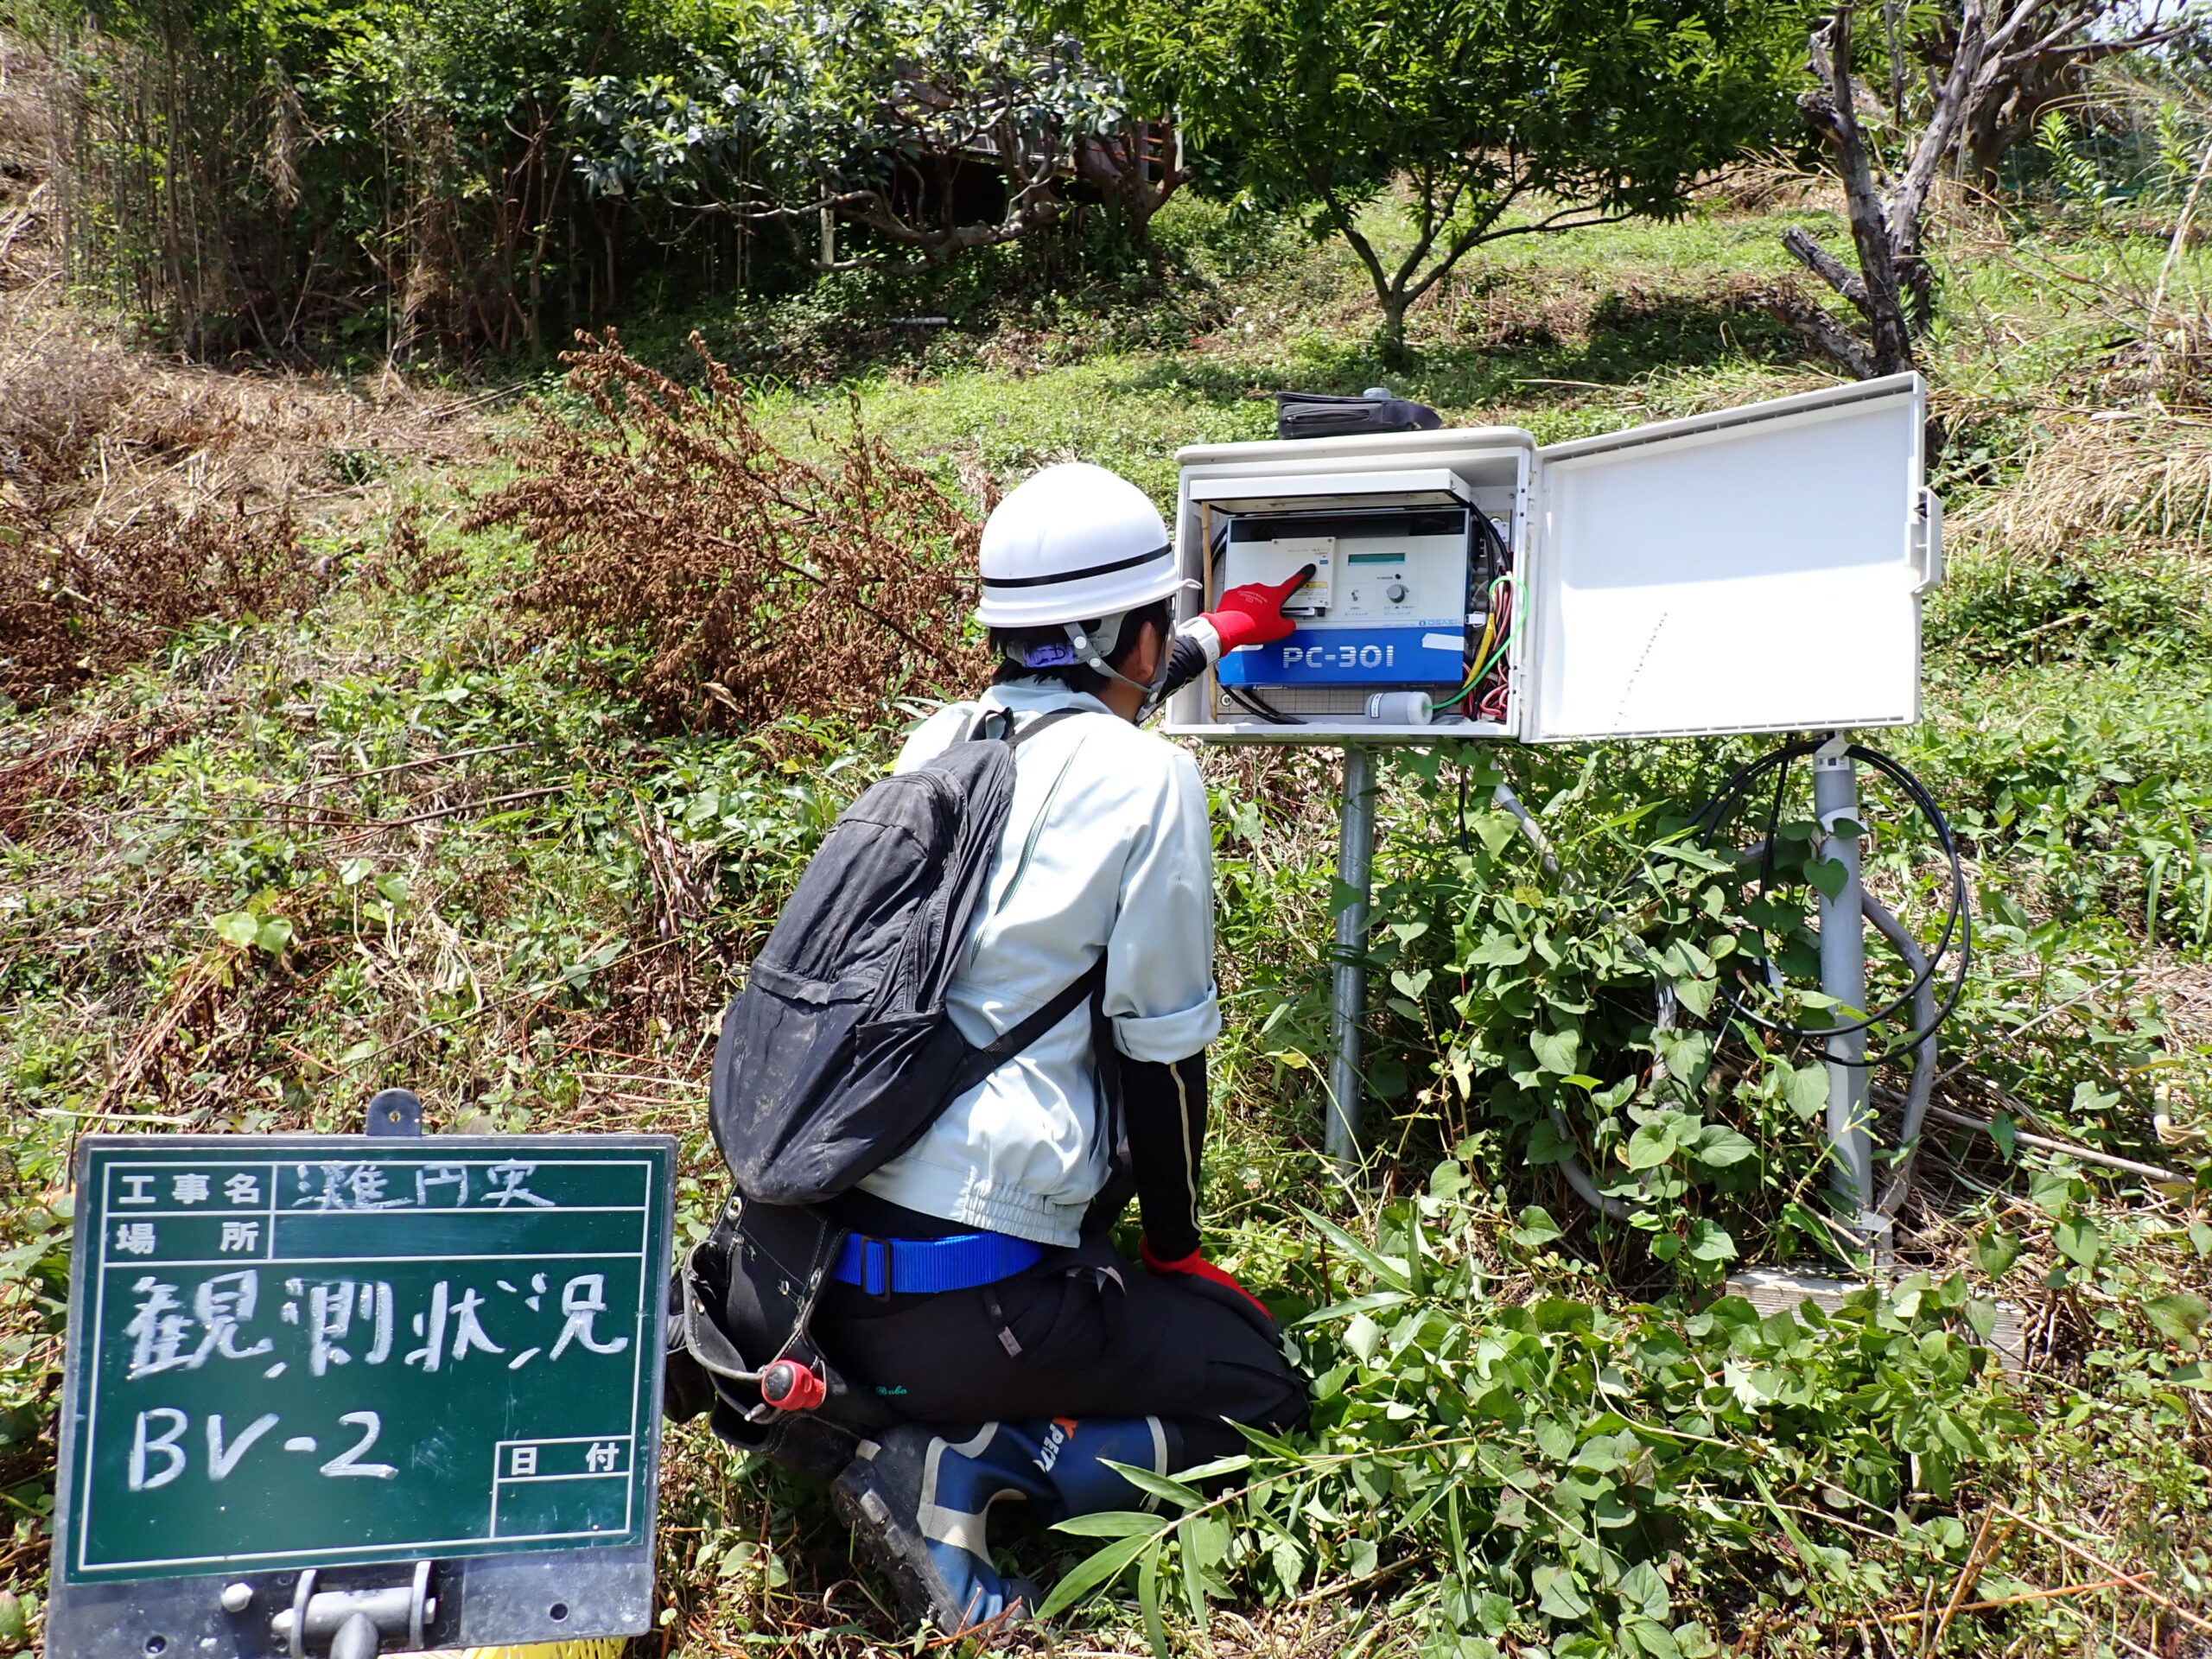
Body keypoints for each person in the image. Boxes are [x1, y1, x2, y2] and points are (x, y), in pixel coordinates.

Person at [794, 461, 1319, 1635]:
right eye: (1158, 632)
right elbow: (1162, 1052)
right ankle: (979, 1463)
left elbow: (1086, 691)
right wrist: (1177, 1249)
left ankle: (882, 1427)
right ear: (1131, 632)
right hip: (973, 1317)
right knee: (1262, 1386)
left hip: (828, 1286)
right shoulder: (1152, 783)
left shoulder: (939, 741)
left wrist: (1221, 635)